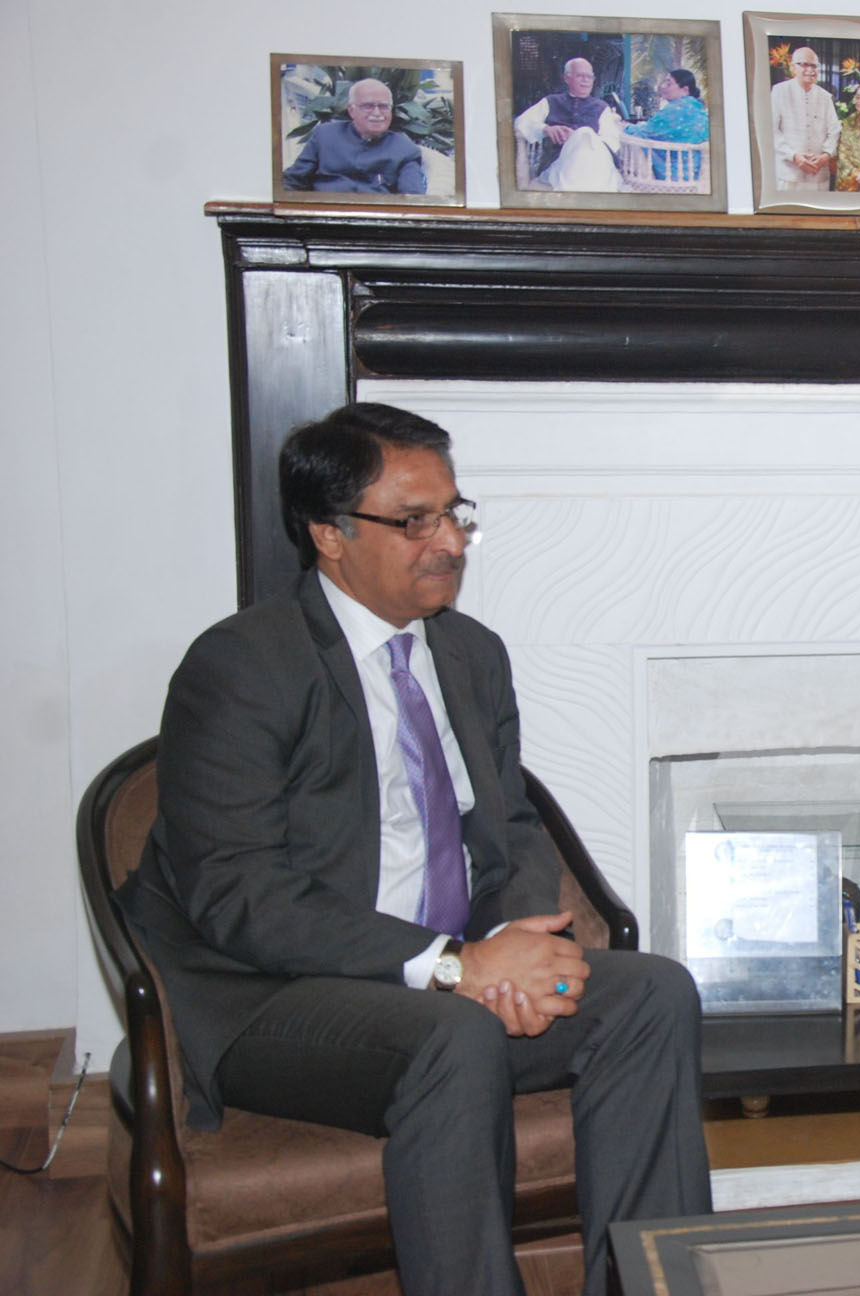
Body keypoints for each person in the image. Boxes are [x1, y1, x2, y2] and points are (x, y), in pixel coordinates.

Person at [115, 403, 712, 1295]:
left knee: (653, 992)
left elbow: (509, 825)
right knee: (451, 1039)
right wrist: (452, 968)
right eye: (414, 521)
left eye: (454, 513)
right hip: (273, 999)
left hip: (445, 976)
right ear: (328, 533)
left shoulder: (471, 655)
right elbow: (239, 898)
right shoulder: (243, 665)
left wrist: (509, 956)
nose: (449, 542)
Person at [282, 78, 426, 194]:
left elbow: (412, 199)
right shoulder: (325, 136)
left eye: (383, 106)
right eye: (368, 106)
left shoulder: (405, 149)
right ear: (351, 111)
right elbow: (293, 181)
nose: (377, 113)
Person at [513, 56, 623, 192]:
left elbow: (611, 142)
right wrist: (546, 129)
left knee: (585, 134)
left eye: (590, 77)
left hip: (594, 165)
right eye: (580, 76)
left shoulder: (601, 107)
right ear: (567, 78)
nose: (586, 81)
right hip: (560, 165)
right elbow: (521, 123)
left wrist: (579, 139)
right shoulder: (551, 102)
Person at [771, 46, 839, 190]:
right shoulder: (779, 91)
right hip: (788, 173)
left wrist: (825, 156)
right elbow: (771, 130)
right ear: (793, 67)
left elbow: (834, 130)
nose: (810, 69)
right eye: (804, 64)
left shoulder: (825, 97)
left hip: (818, 173)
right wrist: (794, 156)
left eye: (814, 65)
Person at [624, 69, 709, 183]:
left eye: (668, 83)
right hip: (695, 171)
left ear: (685, 90)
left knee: (632, 136)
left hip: (675, 173)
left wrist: (624, 126)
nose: (663, 86)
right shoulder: (696, 107)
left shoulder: (677, 108)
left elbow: (648, 130)